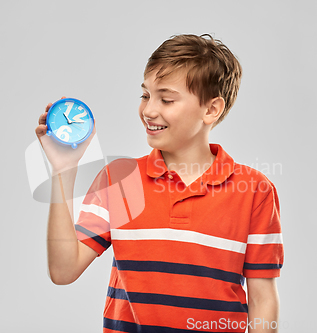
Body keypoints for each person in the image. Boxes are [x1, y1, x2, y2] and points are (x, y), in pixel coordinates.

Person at [35, 34, 284, 333]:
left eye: (166, 99)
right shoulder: (120, 180)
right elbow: (63, 271)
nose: (149, 110)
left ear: (211, 109)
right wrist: (63, 171)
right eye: (145, 95)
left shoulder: (255, 190)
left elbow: (262, 298)